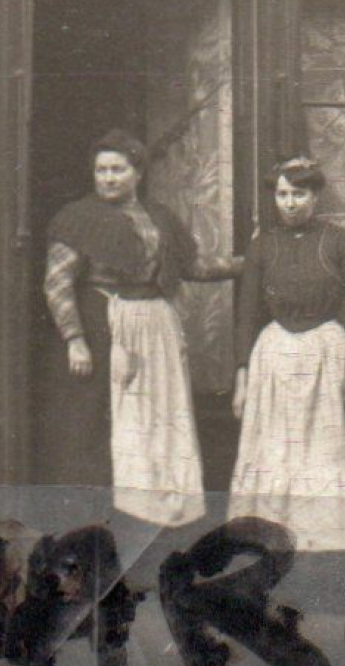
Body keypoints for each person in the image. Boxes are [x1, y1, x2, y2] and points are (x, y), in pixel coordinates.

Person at [40, 128, 238, 524]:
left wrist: (247, 263)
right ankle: (102, 516)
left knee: (158, 417)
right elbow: (57, 283)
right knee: (103, 420)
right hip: (105, 328)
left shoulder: (159, 217)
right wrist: (75, 339)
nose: (108, 178)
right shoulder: (77, 219)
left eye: (117, 169)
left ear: (138, 173)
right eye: (101, 170)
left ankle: (153, 510)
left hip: (156, 328)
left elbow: (192, 267)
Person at [230, 156, 345, 550]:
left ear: (316, 196)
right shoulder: (262, 246)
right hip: (275, 358)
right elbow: (247, 314)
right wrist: (241, 377)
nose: (289, 203)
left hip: (326, 356)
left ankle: (326, 535)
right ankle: (273, 532)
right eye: (282, 195)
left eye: (298, 194)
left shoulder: (340, 242)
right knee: (277, 448)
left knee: (327, 447)